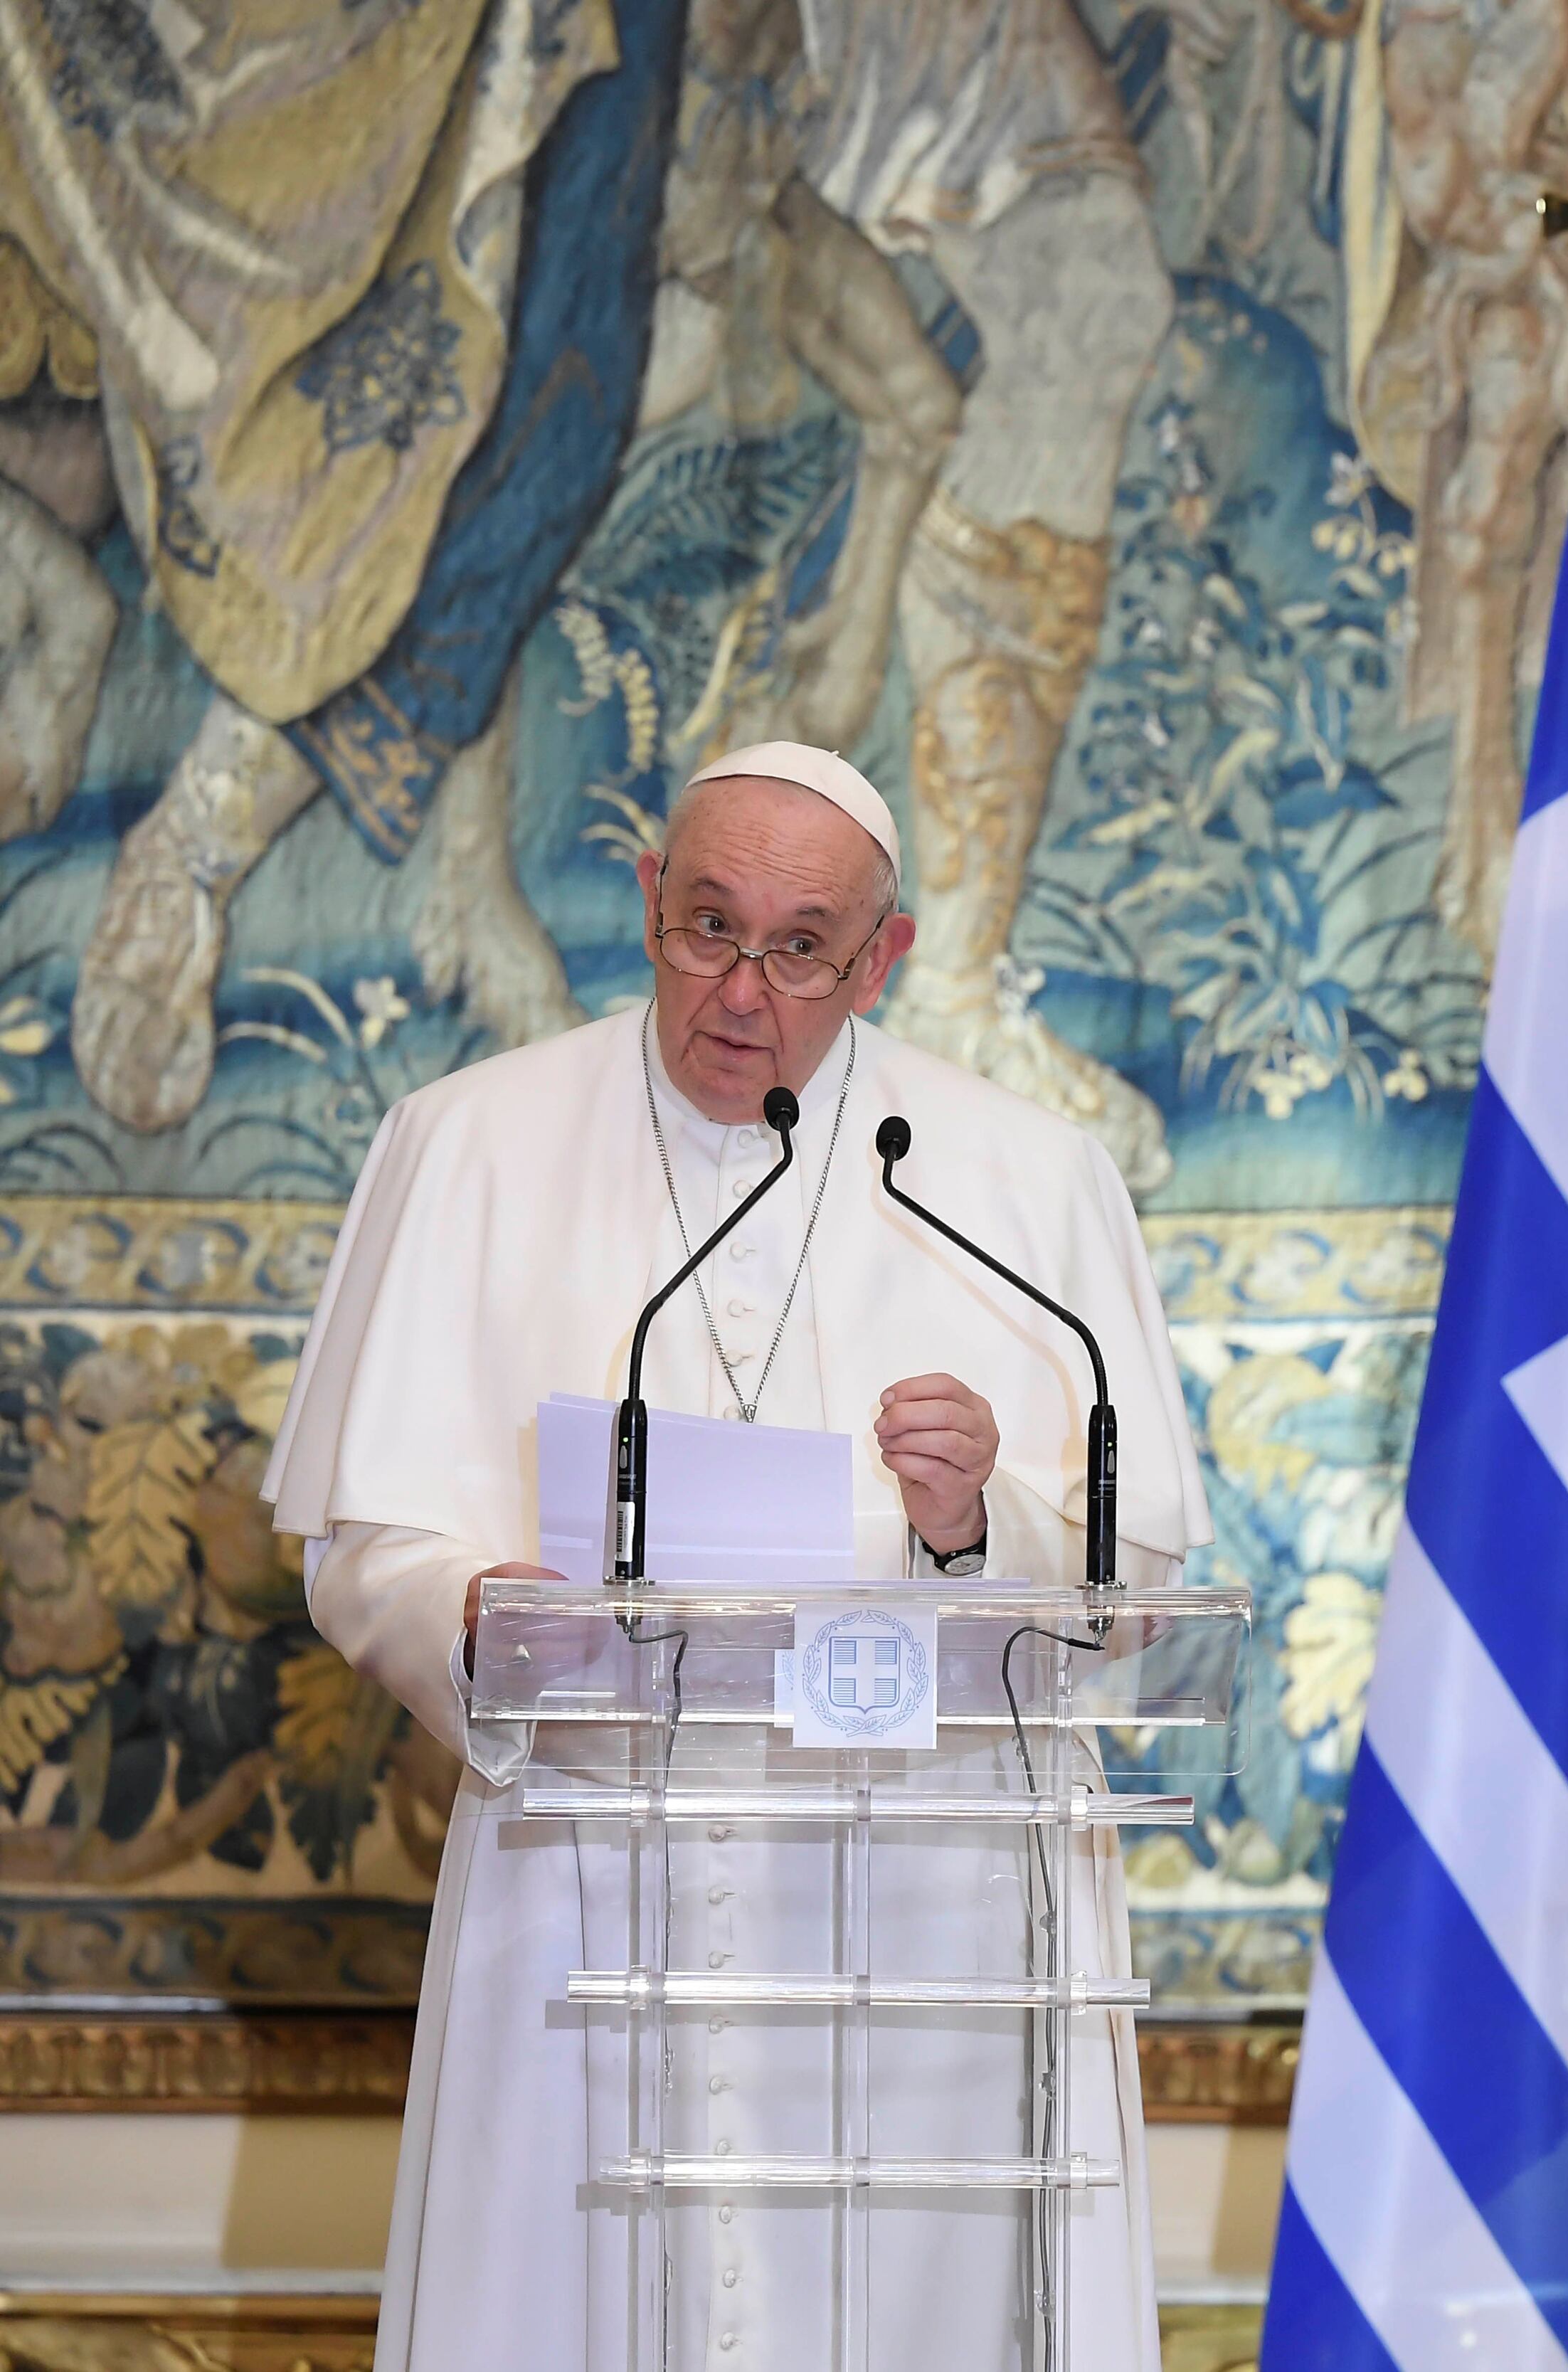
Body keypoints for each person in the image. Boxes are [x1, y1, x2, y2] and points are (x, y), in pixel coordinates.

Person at [262, 742, 1213, 2372]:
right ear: (645, 902)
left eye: (800, 947)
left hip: (930, 1930)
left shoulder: (1023, 1177)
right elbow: (363, 1543)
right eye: (707, 926)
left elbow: (1128, 1579)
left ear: (881, 957)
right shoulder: (465, 1140)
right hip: (587, 1890)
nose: (741, 989)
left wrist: (983, 1522)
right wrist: (469, 1612)